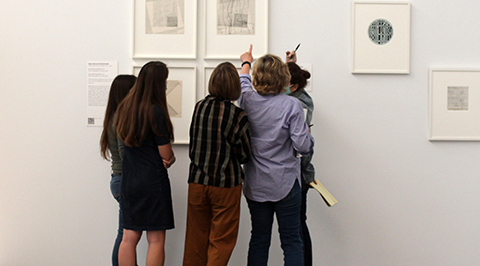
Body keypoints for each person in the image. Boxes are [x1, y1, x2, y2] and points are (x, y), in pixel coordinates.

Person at [238, 45, 314, 266]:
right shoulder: (292, 105)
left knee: (259, 239)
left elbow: (243, 80)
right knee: (291, 241)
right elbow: (303, 146)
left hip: (256, 183)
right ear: (283, 77)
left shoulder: (246, 99)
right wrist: (309, 137)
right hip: (286, 183)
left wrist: (246, 61)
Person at [183, 62, 251, 266]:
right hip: (226, 184)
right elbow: (245, 155)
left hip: (197, 181)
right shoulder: (238, 115)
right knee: (221, 241)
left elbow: (194, 140)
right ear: (234, 87)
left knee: (195, 239)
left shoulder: (200, 106)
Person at [114, 61, 176, 266]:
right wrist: (171, 158)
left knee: (128, 238)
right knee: (156, 239)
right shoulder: (156, 111)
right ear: (158, 84)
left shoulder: (124, 108)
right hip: (152, 182)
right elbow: (166, 154)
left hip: (130, 181)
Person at [99, 74, 137, 266]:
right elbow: (125, 155)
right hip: (125, 180)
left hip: (118, 179)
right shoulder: (122, 118)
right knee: (126, 237)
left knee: (124, 235)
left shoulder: (113, 116)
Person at [285, 50, 315, 266]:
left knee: (296, 229)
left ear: (293, 87)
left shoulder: (299, 107)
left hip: (297, 175)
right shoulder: (303, 98)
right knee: (298, 226)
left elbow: (303, 147)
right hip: (298, 174)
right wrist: (291, 64)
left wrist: (307, 174)